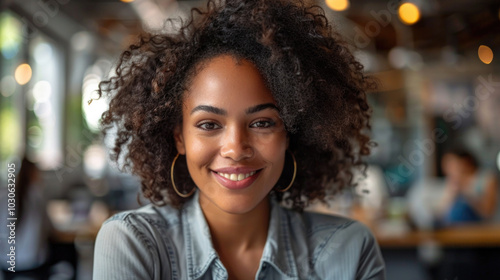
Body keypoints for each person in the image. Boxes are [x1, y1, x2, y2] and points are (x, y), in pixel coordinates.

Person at [93, 0, 385, 279]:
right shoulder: (134, 244)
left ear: (290, 135)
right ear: (180, 138)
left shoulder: (348, 250)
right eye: (209, 124)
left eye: (261, 123)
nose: (235, 149)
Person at [438, 148, 498, 226]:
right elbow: (442, 214)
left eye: (451, 164)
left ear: (466, 161)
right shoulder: (451, 183)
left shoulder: (487, 179)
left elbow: (487, 212)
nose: (447, 170)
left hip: (481, 230)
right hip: (454, 230)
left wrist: (465, 191)